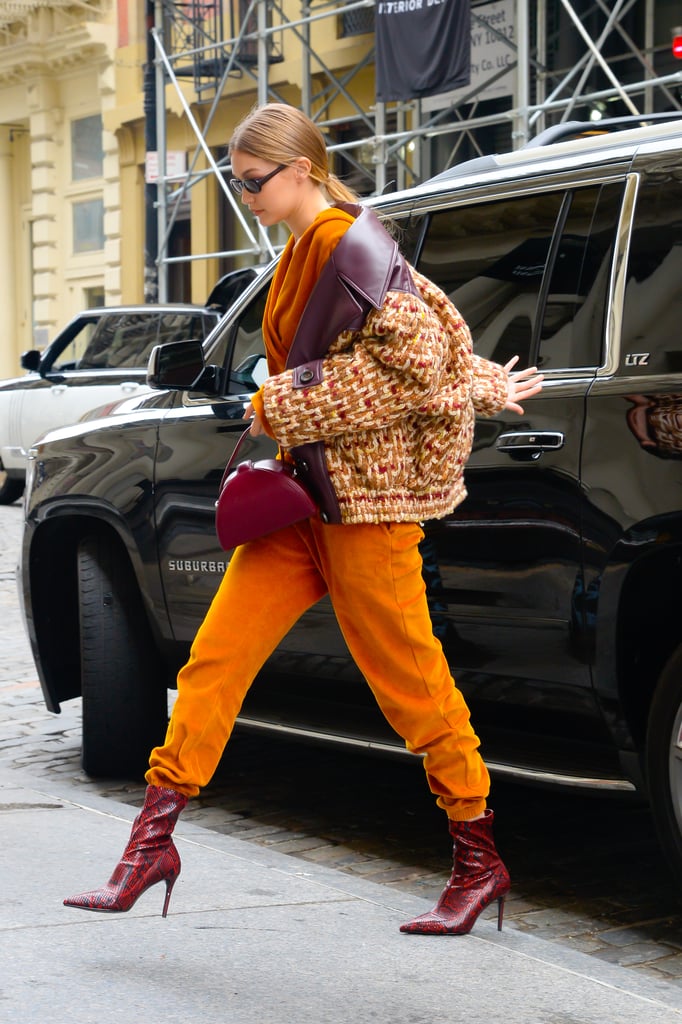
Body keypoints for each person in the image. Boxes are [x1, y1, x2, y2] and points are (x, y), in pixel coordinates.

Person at [64, 103, 543, 935]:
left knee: (412, 685)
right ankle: (150, 847)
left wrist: (274, 400)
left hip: (364, 511)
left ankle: (479, 857)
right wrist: (486, 383)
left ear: (302, 170)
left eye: (255, 180)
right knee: (215, 658)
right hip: (302, 505)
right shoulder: (305, 249)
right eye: (239, 180)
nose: (246, 193)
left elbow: (415, 363)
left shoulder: (346, 241)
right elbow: (430, 350)